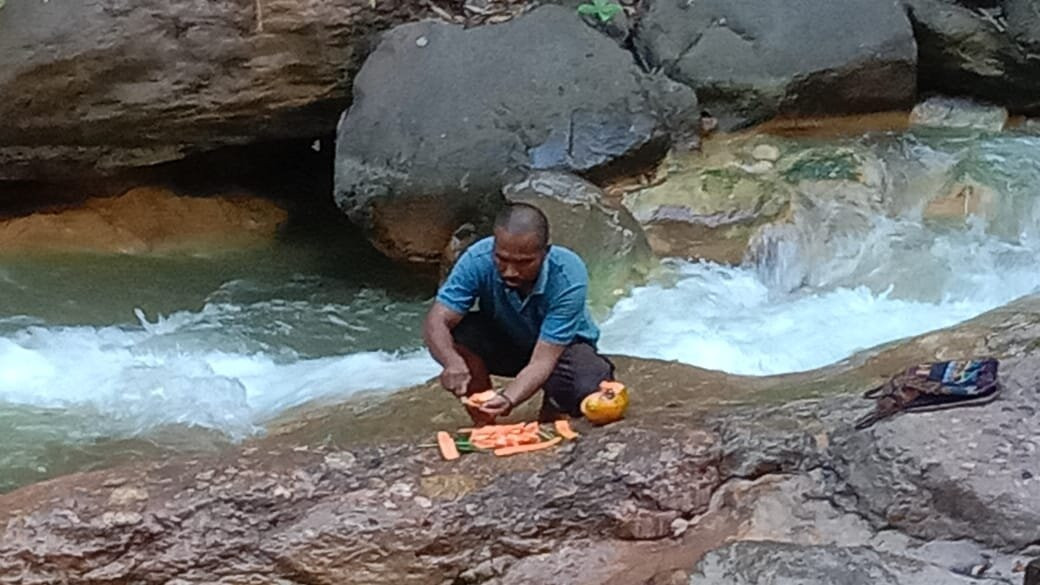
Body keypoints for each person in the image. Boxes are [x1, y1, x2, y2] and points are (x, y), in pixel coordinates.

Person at [422, 202, 615, 424]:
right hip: (507, 340)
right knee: (458, 334)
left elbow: (543, 360)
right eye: (502, 259)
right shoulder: (477, 259)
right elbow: (437, 319)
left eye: (524, 263)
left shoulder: (568, 274)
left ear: (545, 253)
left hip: (561, 350)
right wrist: (451, 362)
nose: (511, 271)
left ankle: (554, 408)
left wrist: (509, 398)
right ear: (494, 246)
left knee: (587, 381)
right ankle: (483, 419)